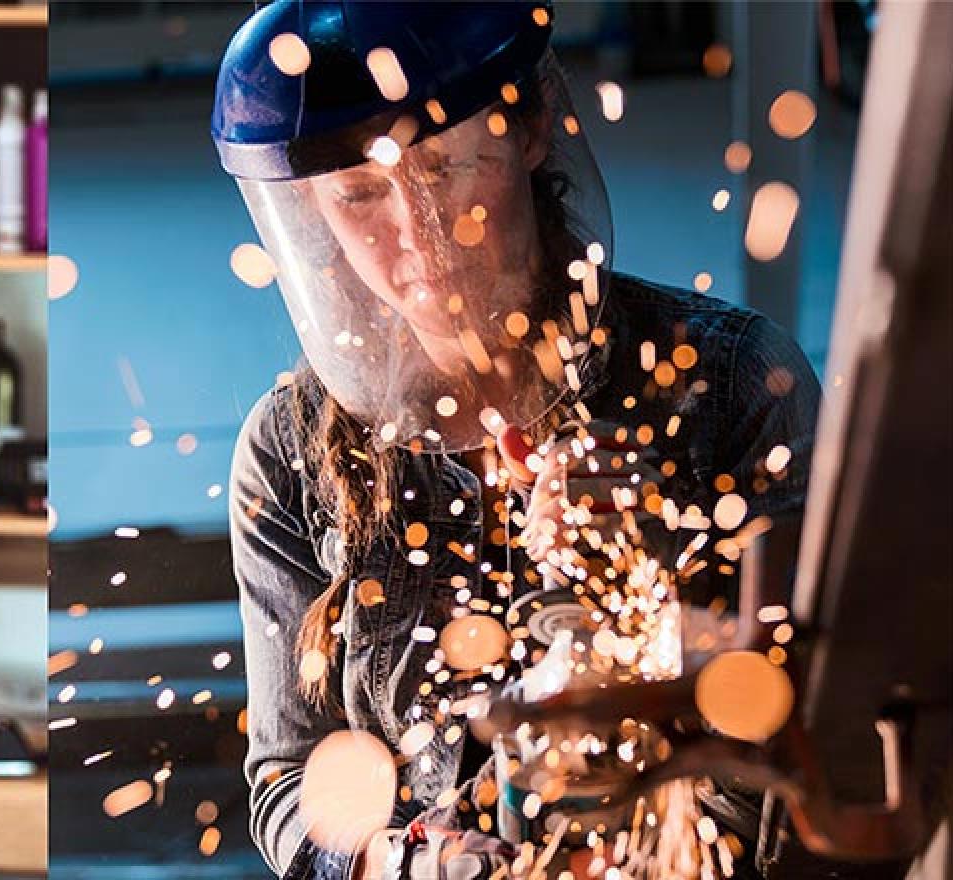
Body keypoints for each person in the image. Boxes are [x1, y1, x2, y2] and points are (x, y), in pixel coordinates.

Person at [212, 3, 825, 878]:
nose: (417, 235)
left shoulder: (731, 384)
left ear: (532, 126)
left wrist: (651, 592)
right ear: (308, 210)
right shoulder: (288, 452)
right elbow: (287, 782)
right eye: (357, 197)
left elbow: (817, 750)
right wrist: (405, 862)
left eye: (446, 166)